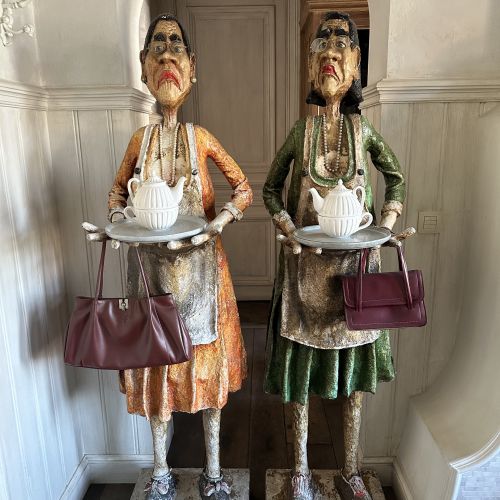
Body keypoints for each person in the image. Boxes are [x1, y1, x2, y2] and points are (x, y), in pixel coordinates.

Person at [107, 13, 252, 500]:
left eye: (175, 46)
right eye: (156, 46)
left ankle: (214, 471)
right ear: (144, 68)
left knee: (207, 376)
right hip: (150, 278)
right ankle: (161, 471)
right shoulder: (139, 141)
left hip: (204, 277)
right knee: (157, 375)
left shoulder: (201, 137)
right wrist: (117, 224)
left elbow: (243, 188)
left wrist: (220, 221)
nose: (166, 54)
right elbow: (116, 193)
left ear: (192, 67)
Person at [262, 11, 405, 500]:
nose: (330, 52)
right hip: (304, 275)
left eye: (341, 43)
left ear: (356, 64)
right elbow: (270, 190)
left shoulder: (364, 132)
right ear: (309, 66)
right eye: (321, 44)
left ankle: (351, 469)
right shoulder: (300, 133)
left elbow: (396, 178)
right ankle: (299, 469)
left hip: (357, 277)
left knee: (354, 381)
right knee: (300, 378)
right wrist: (287, 228)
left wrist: (386, 227)